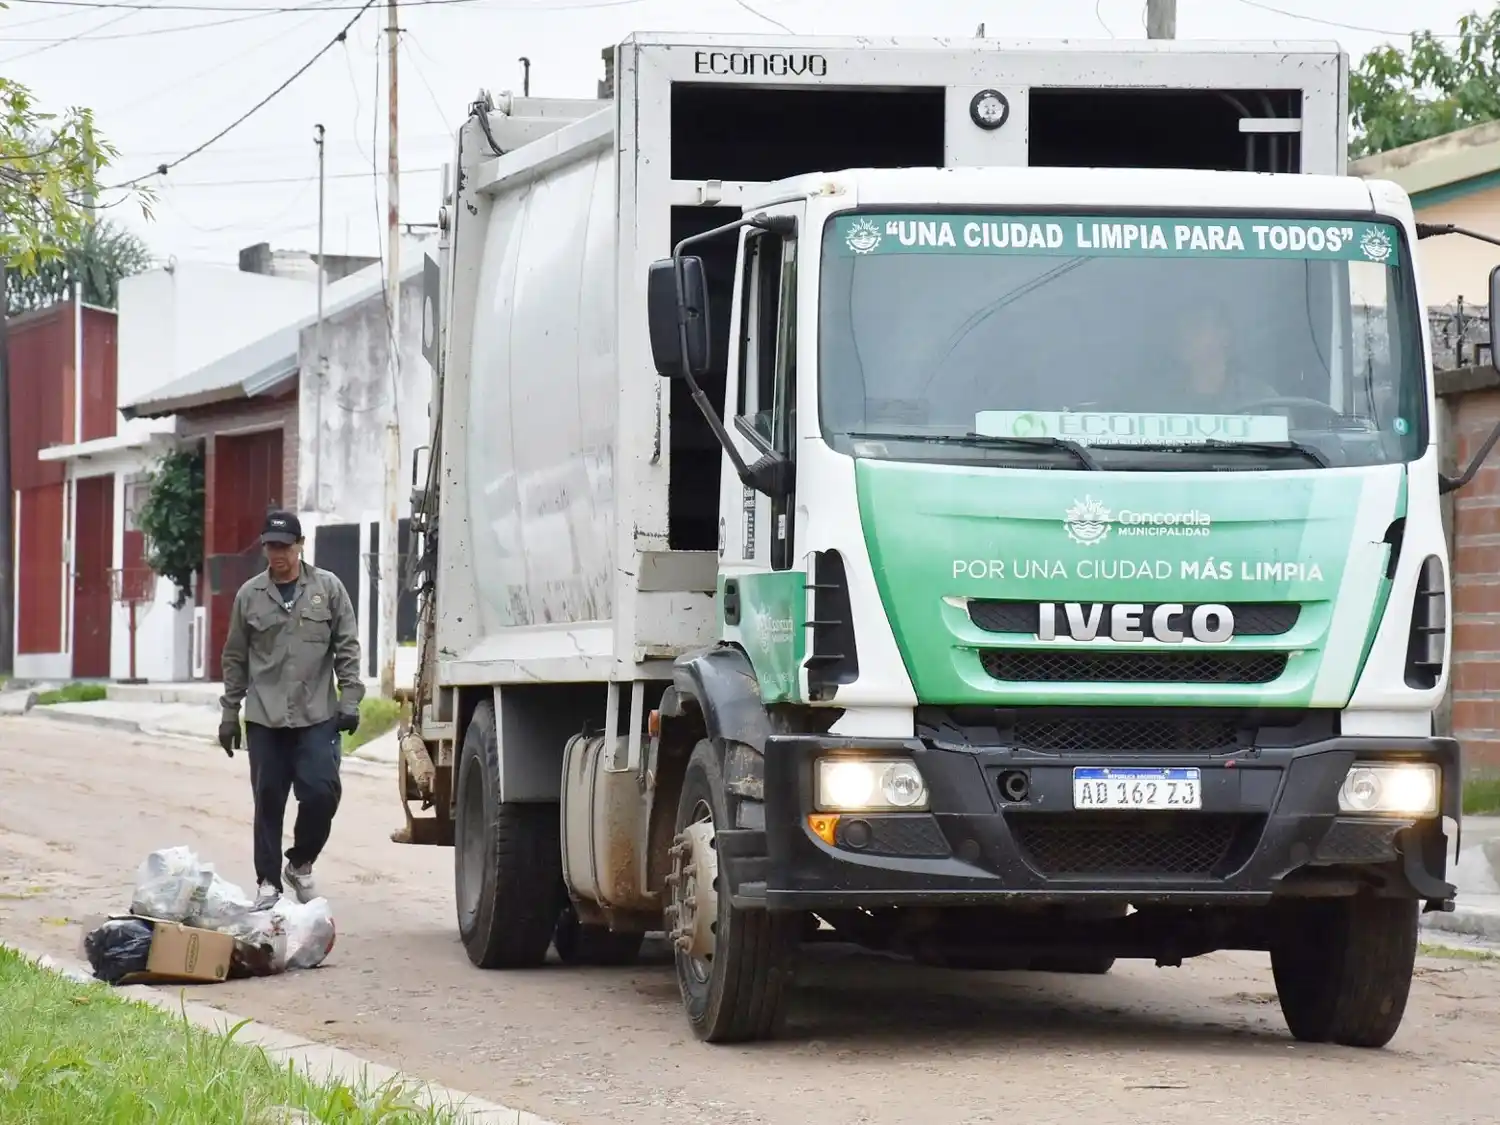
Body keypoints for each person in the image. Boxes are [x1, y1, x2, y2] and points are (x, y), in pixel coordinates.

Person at [219, 510, 363, 910]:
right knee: (268, 800)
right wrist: (230, 712)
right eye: (270, 546)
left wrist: (350, 699)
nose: (277, 554)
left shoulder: (328, 588)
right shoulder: (250, 595)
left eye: (284, 546)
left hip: (316, 713)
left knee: (322, 793)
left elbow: (347, 648)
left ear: (300, 546)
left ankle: (299, 863)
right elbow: (235, 657)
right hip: (265, 715)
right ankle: (267, 883)